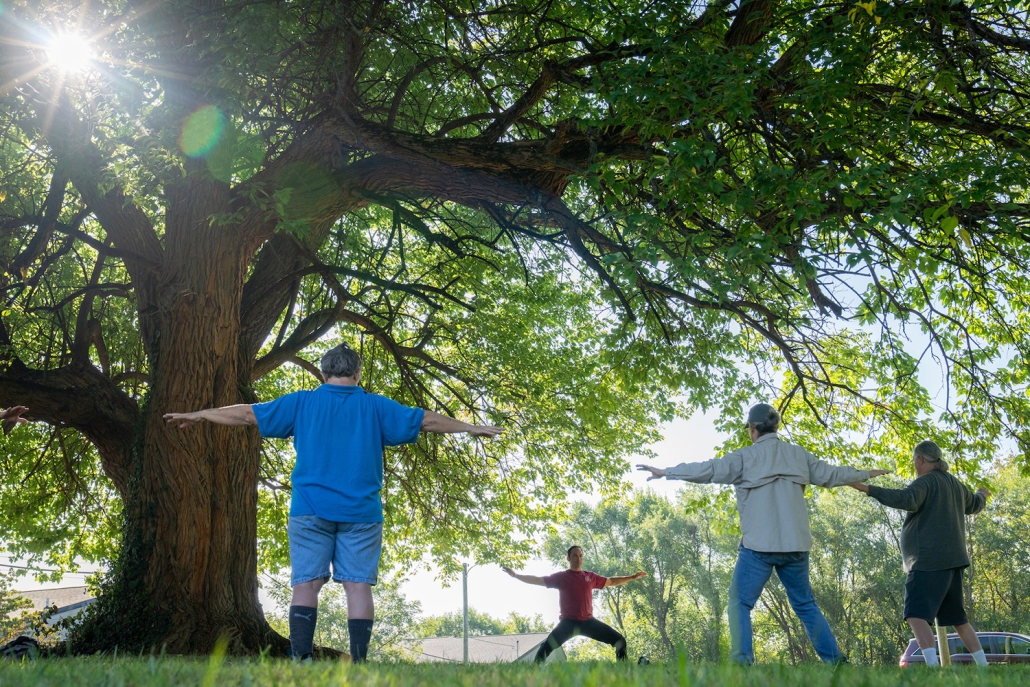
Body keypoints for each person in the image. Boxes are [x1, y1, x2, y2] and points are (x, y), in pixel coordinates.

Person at [164, 343, 502, 663]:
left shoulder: (303, 403)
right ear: (357, 373)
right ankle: (358, 662)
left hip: (310, 509)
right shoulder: (375, 406)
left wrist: (202, 414)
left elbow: (247, 415)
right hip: (362, 514)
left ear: (324, 373)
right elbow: (426, 420)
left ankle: (301, 660)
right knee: (357, 587)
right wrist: (470, 427)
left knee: (306, 584)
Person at [637, 402, 887, 665]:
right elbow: (833, 474)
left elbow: (707, 470)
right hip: (795, 547)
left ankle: (742, 663)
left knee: (740, 603)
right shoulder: (798, 455)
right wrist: (864, 473)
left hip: (758, 550)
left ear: (753, 429)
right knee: (805, 604)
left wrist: (666, 472)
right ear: (776, 427)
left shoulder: (744, 458)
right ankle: (837, 663)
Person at [848, 440, 990, 667]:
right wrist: (982, 494)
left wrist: (865, 488)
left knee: (915, 614)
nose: (914, 465)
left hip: (928, 560)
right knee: (958, 619)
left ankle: (932, 669)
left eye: (915, 460)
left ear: (921, 459)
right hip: (953, 561)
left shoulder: (926, 481)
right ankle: (984, 667)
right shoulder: (954, 483)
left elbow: (906, 499)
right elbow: (974, 504)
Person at [502, 545, 646, 662]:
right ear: (568, 558)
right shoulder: (561, 577)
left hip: (589, 622)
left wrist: (632, 577)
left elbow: (612, 581)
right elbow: (538, 580)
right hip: (568, 623)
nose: (578, 558)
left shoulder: (590, 577)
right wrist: (516, 575)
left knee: (619, 640)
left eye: (580, 555)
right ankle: (533, 674)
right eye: (575, 555)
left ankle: (623, 671)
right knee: (546, 648)